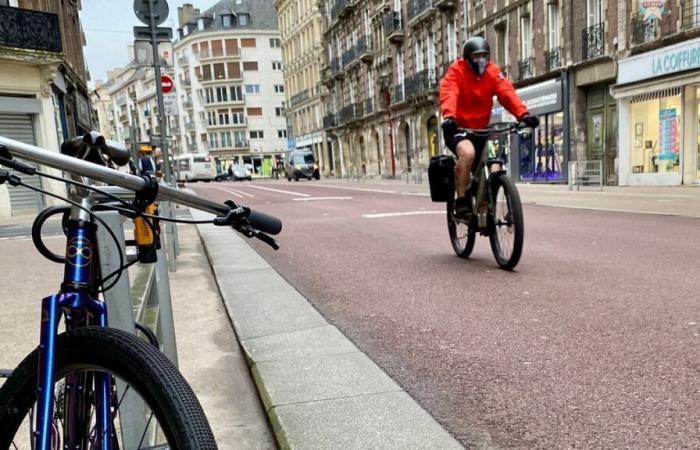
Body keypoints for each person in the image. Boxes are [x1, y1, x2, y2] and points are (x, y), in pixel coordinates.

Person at [439, 36, 539, 217]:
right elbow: (449, 92)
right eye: (477, 57)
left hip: (480, 129)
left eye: (485, 56)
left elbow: (506, 92)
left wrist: (523, 114)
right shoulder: (457, 71)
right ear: (468, 58)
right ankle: (461, 201)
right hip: (457, 128)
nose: (481, 60)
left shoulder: (492, 72)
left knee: (494, 164)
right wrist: (449, 116)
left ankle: (491, 207)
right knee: (468, 153)